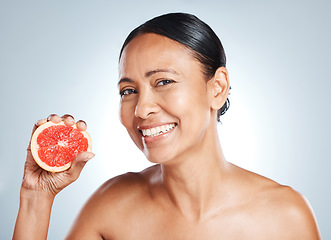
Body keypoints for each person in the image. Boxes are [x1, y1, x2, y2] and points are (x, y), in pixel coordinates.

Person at [13, 13, 320, 240]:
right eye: (128, 91)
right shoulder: (111, 208)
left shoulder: (286, 218)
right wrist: (36, 198)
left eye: (164, 82)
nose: (142, 108)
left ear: (217, 88)